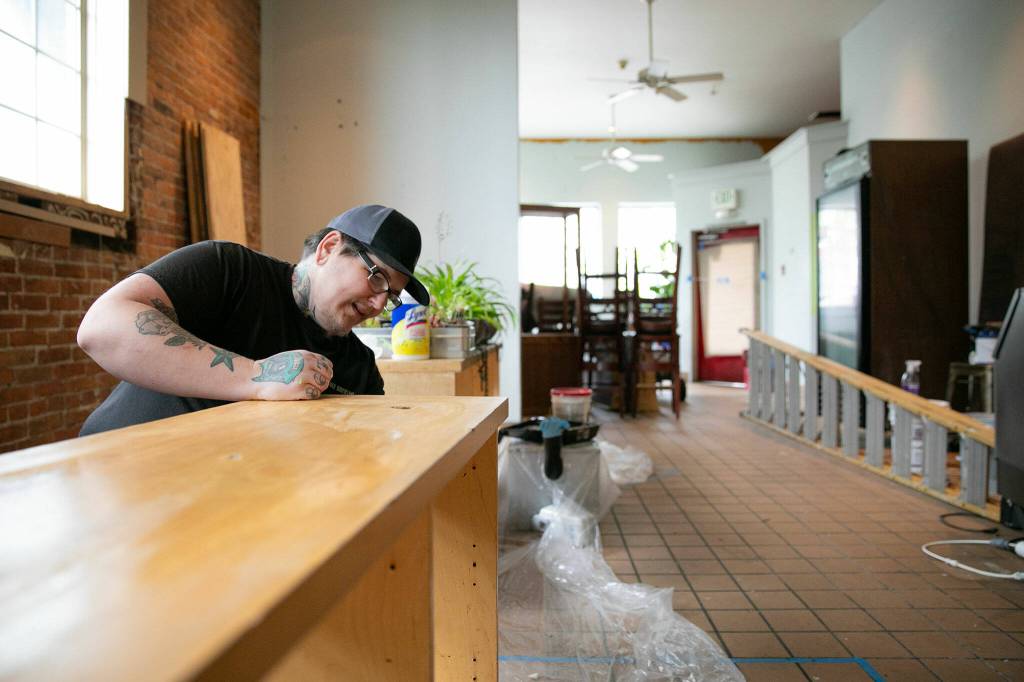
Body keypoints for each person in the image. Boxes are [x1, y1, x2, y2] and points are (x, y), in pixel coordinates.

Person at [77, 204, 430, 436]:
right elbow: (101, 327)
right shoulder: (230, 271)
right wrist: (258, 377)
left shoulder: (360, 368)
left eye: (391, 295)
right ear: (327, 248)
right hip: (115, 479)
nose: (378, 302)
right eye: (376, 277)